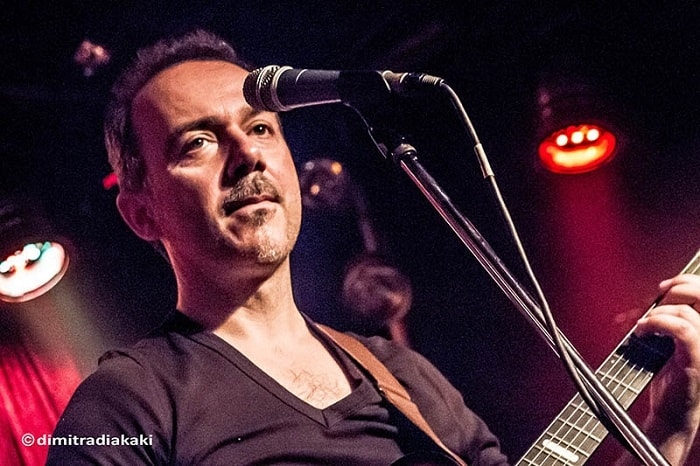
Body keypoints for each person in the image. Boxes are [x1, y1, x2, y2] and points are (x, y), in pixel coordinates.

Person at [46, 29, 700, 465]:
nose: (247, 154)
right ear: (141, 214)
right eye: (198, 142)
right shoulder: (127, 404)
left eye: (262, 128)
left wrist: (667, 431)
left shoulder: (406, 376)